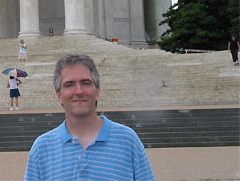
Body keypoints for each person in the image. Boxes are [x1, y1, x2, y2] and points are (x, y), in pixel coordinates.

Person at [25, 54, 155, 181]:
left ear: (97, 92)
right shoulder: (42, 149)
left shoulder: (127, 140)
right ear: (59, 96)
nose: (79, 91)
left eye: (86, 83)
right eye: (69, 85)